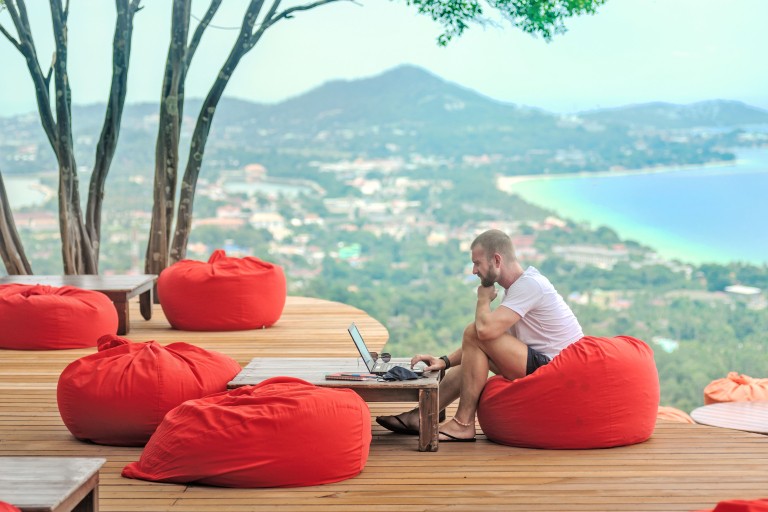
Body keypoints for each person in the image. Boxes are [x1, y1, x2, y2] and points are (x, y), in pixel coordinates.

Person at [376, 229, 583, 442]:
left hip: (557, 370)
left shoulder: (530, 285)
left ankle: (463, 424)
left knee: (475, 332)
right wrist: (444, 361)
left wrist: (483, 300)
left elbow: (483, 332)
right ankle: (420, 416)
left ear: (496, 260)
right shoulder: (516, 289)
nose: (474, 270)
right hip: (544, 363)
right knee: (476, 342)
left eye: (477, 263)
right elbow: (486, 342)